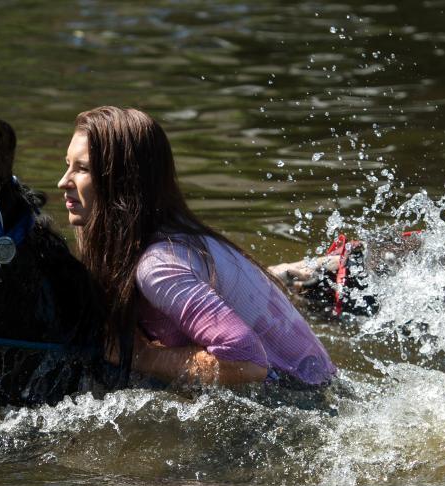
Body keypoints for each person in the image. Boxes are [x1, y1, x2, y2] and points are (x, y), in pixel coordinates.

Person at [57, 106, 336, 387]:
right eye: (67, 164)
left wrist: (142, 356)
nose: (62, 182)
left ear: (123, 181)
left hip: (304, 400)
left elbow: (248, 364)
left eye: (82, 169)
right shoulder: (173, 235)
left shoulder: (159, 266)